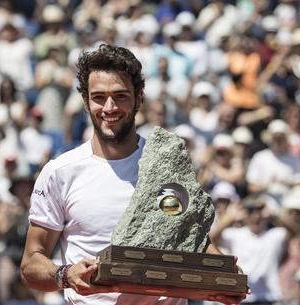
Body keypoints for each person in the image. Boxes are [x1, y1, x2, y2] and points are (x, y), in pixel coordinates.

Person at [21, 44, 242, 305]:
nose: (110, 107)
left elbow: (187, 234)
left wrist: (225, 275)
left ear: (139, 97)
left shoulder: (165, 162)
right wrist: (65, 274)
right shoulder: (60, 172)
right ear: (85, 101)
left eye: (121, 96)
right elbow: (31, 264)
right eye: (99, 97)